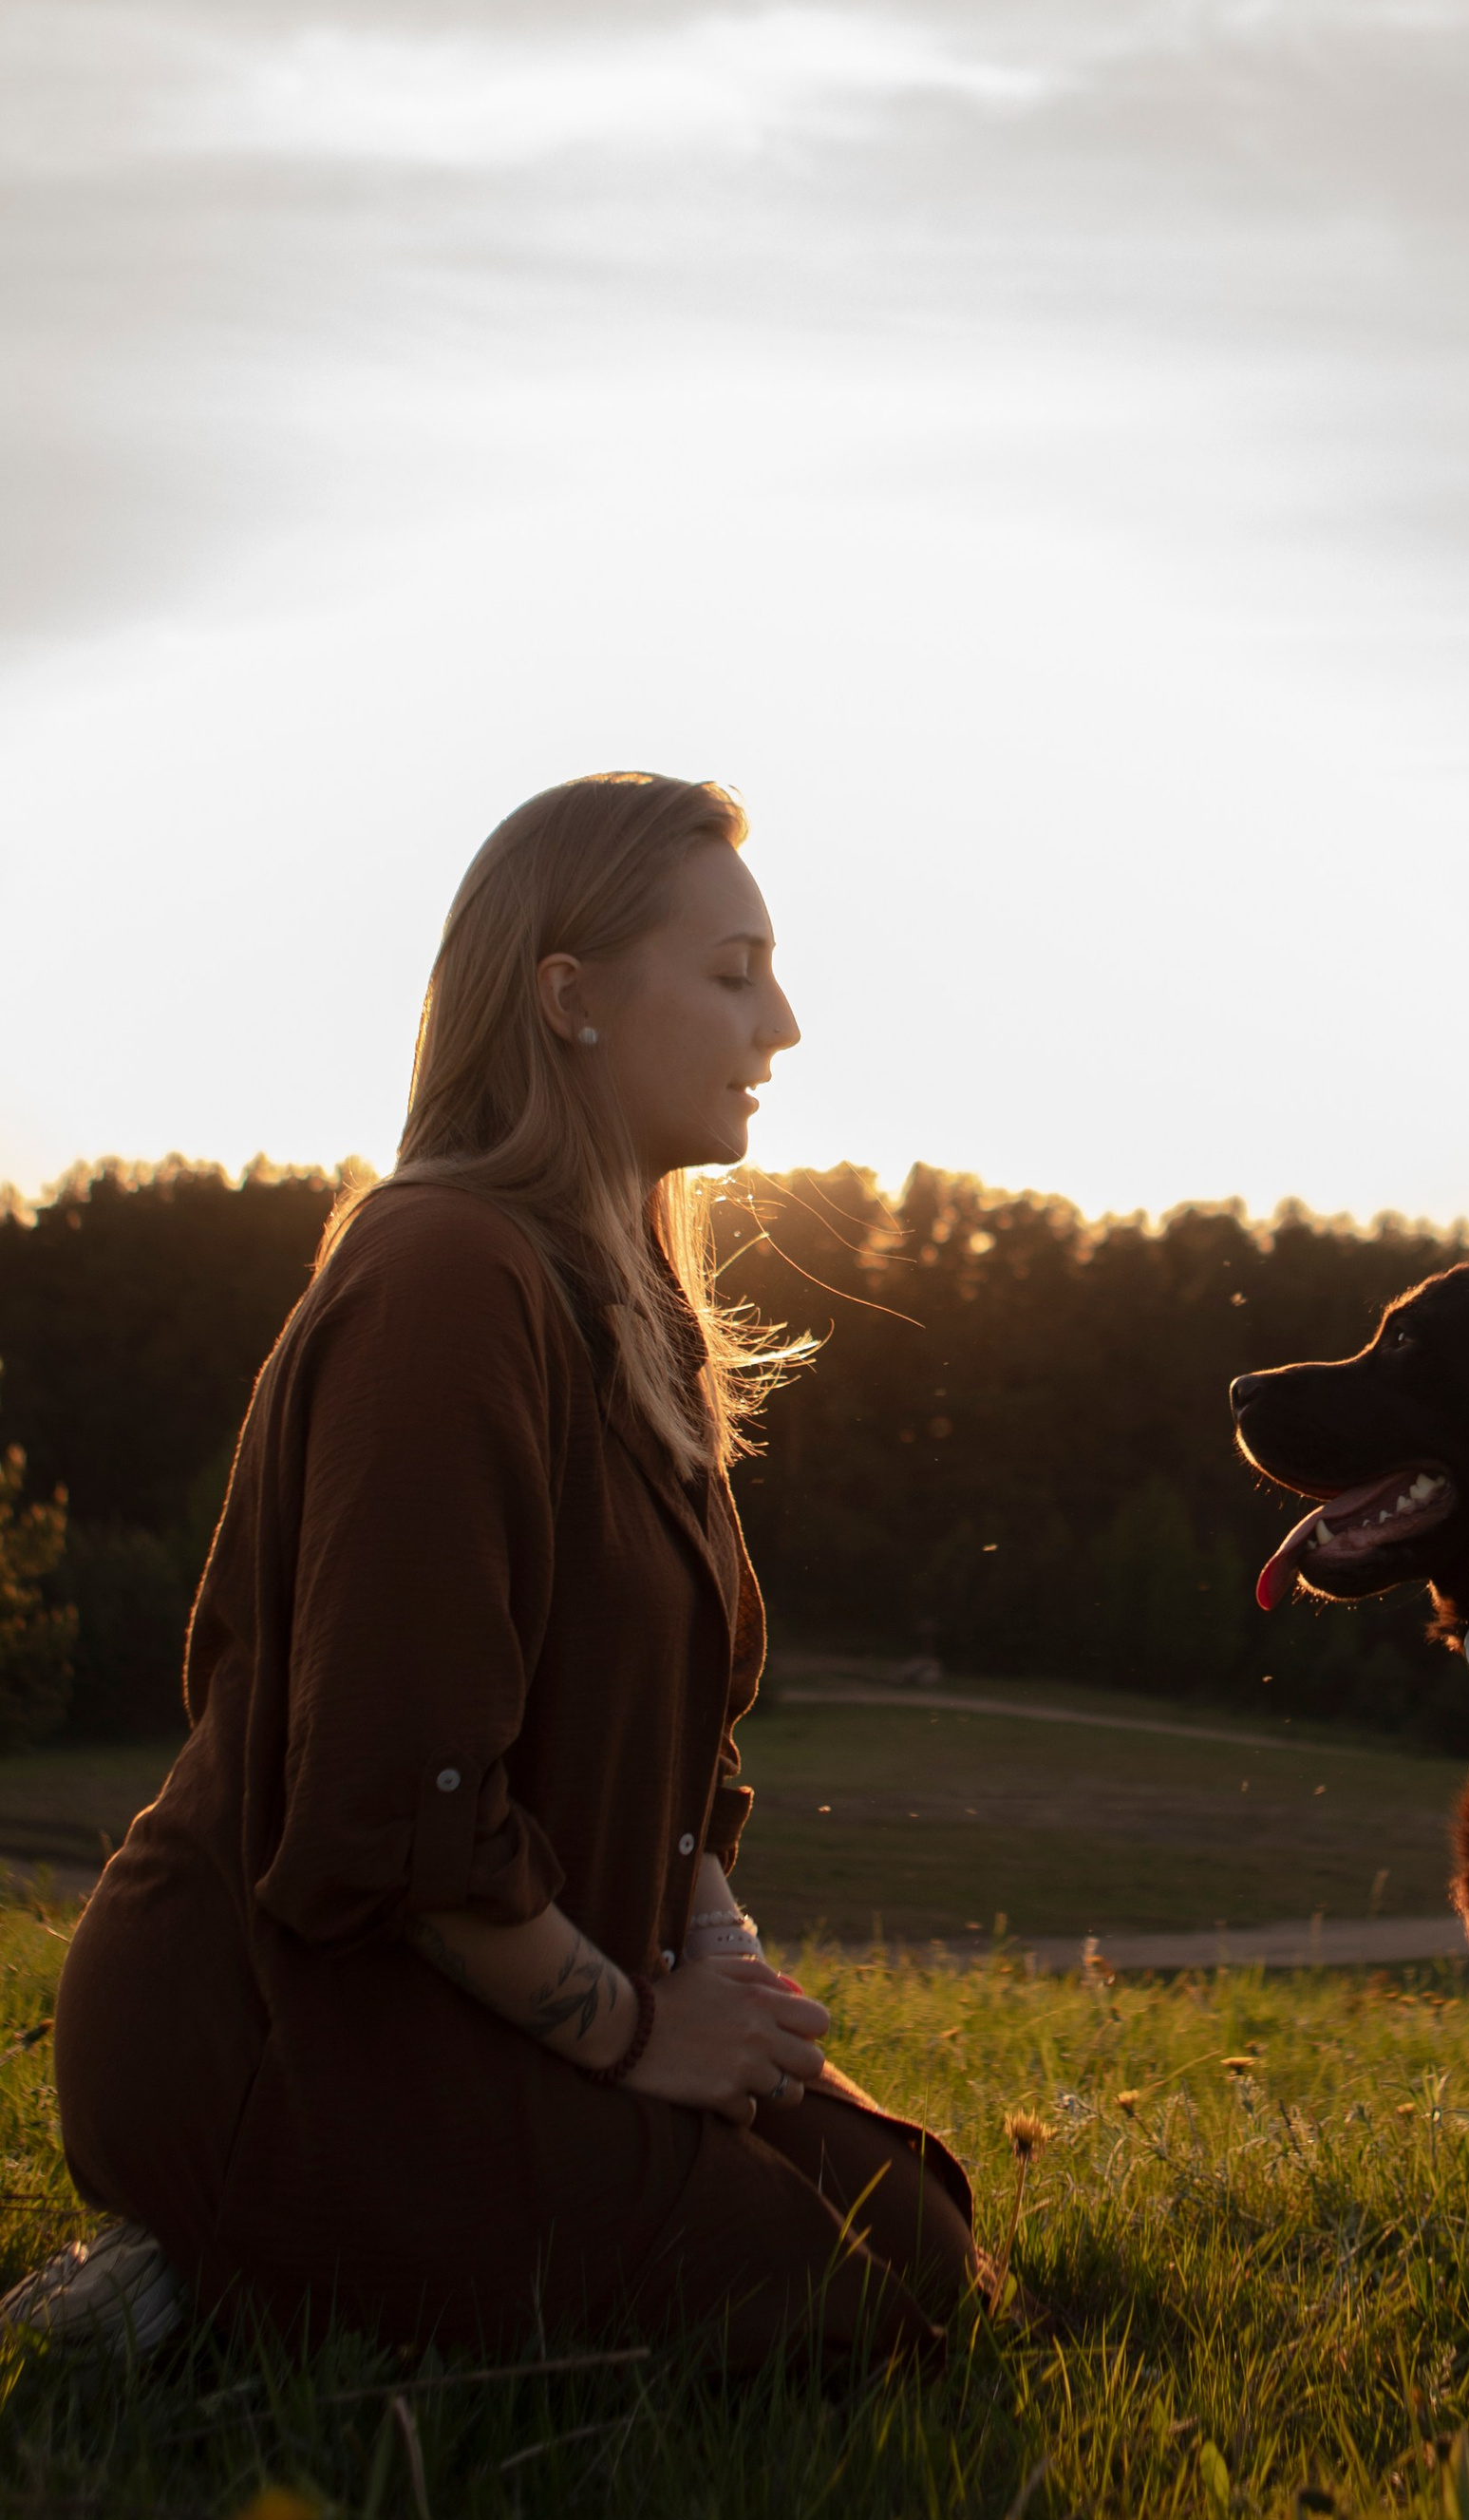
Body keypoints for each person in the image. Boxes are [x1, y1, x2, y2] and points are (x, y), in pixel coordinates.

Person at [43, 771, 976, 2371]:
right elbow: (399, 1796)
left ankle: (282, 2277)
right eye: (733, 973)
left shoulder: (640, 1315)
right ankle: (199, 2275)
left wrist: (722, 1974)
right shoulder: (446, 1276)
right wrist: (629, 2033)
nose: (787, 1027)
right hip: (302, 2026)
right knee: (841, 2309)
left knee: (905, 2226)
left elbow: (685, 1744)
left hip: (510, 1991)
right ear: (570, 1001)